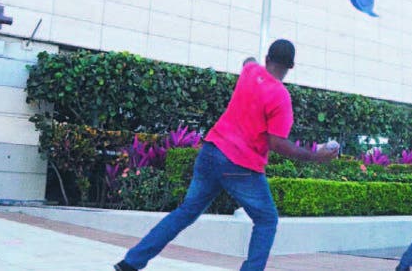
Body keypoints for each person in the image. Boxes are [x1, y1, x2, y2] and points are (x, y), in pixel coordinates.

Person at [114, 40, 338, 271]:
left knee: (185, 212)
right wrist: (315, 156)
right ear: (291, 66)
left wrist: (254, 63)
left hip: (210, 152)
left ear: (267, 59)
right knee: (267, 220)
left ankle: (131, 263)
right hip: (239, 165)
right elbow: (277, 143)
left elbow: (247, 60)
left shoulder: (251, 72)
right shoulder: (281, 97)